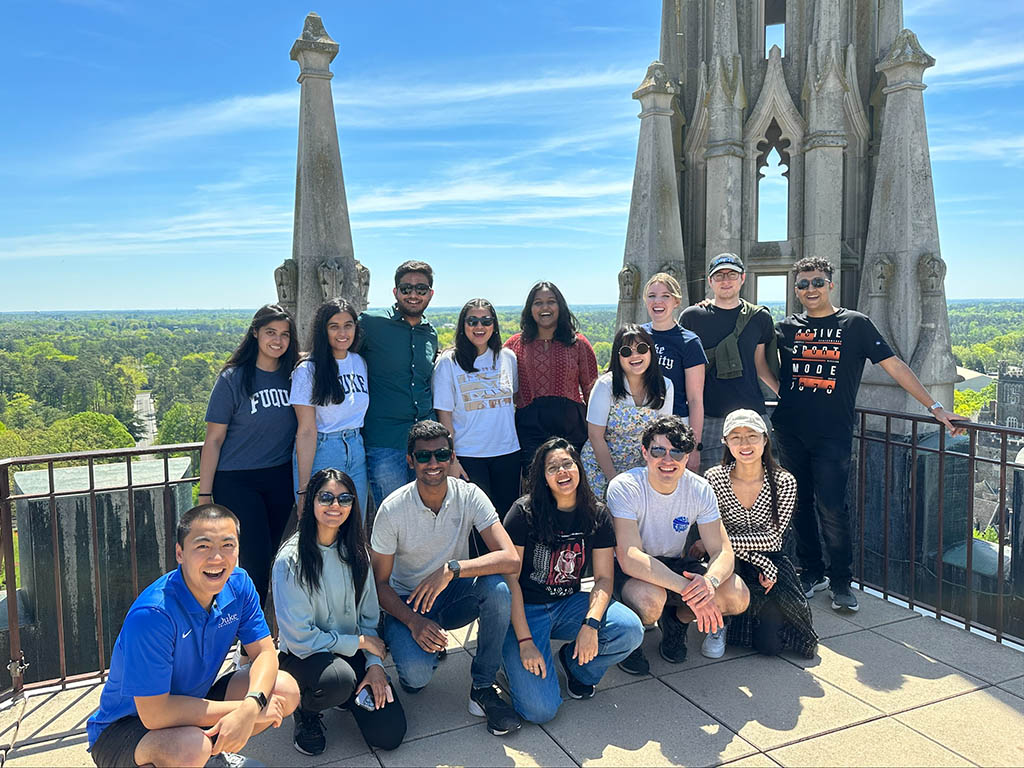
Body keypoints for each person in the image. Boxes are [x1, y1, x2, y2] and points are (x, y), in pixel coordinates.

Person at [773, 257, 965, 612]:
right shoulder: (785, 327)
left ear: (830, 285)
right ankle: (812, 572)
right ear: (796, 289)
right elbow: (764, 365)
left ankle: (842, 581)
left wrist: (934, 408)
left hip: (832, 434)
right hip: (789, 430)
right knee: (798, 504)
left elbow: (895, 366)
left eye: (817, 282)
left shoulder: (855, 324)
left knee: (832, 508)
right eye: (802, 284)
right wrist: (782, 393)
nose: (810, 289)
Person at [86, 504, 300, 768]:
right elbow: (155, 714)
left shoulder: (239, 584)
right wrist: (243, 711)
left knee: (285, 689)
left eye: (227, 545)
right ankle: (203, 753)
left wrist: (251, 706)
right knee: (191, 748)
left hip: (193, 703)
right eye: (203, 546)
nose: (217, 558)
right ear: (180, 553)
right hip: (126, 729)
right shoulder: (153, 614)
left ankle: (213, 752)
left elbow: (265, 653)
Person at [369, 420, 523, 736]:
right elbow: (378, 585)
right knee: (416, 677)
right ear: (410, 460)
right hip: (408, 602)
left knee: (498, 590)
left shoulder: (469, 494)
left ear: (452, 456)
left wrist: (453, 569)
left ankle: (482, 686)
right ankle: (406, 645)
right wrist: (413, 621)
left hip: (454, 592)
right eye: (423, 456)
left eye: (441, 454)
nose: (434, 463)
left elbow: (510, 558)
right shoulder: (392, 509)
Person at [501, 438, 643, 723]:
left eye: (567, 464)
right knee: (540, 711)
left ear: (578, 467)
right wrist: (526, 641)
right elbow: (509, 581)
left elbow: (603, 579)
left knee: (630, 630)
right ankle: (510, 663)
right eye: (553, 467)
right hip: (525, 609)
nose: (562, 472)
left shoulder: (596, 513)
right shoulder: (522, 513)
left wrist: (591, 624)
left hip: (568, 603)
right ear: (542, 477)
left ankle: (575, 667)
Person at [273, 468, 406, 756]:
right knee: (339, 681)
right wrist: (358, 643)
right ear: (310, 503)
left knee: (390, 734)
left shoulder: (357, 552)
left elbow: (369, 618)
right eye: (326, 497)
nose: (336, 505)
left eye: (344, 498)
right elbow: (300, 639)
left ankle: (345, 694)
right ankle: (305, 709)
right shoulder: (290, 561)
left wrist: (375, 666)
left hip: (349, 654)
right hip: (303, 656)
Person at [607, 415, 750, 675]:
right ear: (645, 452)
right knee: (650, 601)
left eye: (677, 452)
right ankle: (629, 638)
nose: (667, 460)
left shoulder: (700, 488)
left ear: (687, 457)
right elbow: (629, 556)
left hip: (675, 561)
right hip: (634, 568)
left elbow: (722, 551)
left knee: (737, 595)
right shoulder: (625, 487)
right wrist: (691, 591)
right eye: (659, 450)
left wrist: (710, 584)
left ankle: (676, 621)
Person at [199, 304, 298, 605]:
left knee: (275, 557)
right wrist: (204, 495)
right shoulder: (233, 379)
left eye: (284, 335)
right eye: (270, 333)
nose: (278, 341)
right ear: (255, 333)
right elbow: (213, 440)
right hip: (236, 479)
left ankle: (268, 634)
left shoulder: (294, 375)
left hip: (280, 476)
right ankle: (250, 642)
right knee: (254, 560)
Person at [701, 410, 817, 658]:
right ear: (725, 442)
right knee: (722, 571)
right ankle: (719, 624)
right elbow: (713, 533)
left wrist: (762, 559)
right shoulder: (713, 478)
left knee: (770, 647)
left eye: (752, 436)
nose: (745, 444)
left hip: (770, 559)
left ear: (765, 439)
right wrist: (758, 559)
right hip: (728, 562)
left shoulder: (784, 481)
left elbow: (772, 539)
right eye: (736, 437)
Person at [680, 254, 780, 472]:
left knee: (757, 483)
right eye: (719, 275)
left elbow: (760, 365)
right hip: (708, 418)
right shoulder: (693, 317)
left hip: (752, 413)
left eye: (732, 274)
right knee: (709, 487)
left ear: (742, 278)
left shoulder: (759, 318)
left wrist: (788, 397)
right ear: (710, 281)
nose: (726, 280)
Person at [360, 260, 439, 507]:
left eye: (421, 289)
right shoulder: (370, 324)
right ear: (395, 292)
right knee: (392, 514)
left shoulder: (431, 333)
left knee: (429, 509)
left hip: (427, 442)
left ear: (430, 294)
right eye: (406, 288)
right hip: (385, 441)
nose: (413, 294)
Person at [433, 298, 520, 519]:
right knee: (474, 524)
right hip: (469, 455)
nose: (479, 327)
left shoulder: (507, 357)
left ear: (494, 325)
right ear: (463, 325)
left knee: (507, 520)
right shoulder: (448, 362)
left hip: (507, 452)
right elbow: (445, 418)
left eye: (486, 321)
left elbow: (515, 399)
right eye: (472, 321)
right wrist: (452, 461)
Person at [504, 281, 598, 472]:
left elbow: (591, 391)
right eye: (538, 303)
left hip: (572, 428)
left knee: (571, 483)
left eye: (551, 301)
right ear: (530, 309)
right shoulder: (514, 345)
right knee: (536, 485)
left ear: (560, 306)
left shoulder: (578, 343)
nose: (544, 307)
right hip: (529, 429)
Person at [291, 299, 370, 514]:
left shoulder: (359, 362)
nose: (342, 332)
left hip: (356, 447)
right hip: (323, 450)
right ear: (323, 330)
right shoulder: (307, 370)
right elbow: (306, 430)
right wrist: (303, 489)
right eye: (334, 326)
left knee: (355, 522)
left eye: (348, 325)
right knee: (323, 523)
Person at [580, 324, 673, 497]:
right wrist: (614, 480)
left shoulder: (665, 386)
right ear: (618, 357)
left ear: (651, 351)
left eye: (641, 348)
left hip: (641, 468)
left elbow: (662, 437)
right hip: (601, 467)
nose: (635, 355)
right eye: (626, 352)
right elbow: (595, 436)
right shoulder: (605, 386)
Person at [641, 273, 708, 472]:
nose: (658, 301)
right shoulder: (638, 336)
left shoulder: (689, 342)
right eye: (652, 296)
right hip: (639, 425)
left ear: (677, 301)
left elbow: (695, 400)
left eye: (665, 296)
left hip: (676, 429)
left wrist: (694, 448)